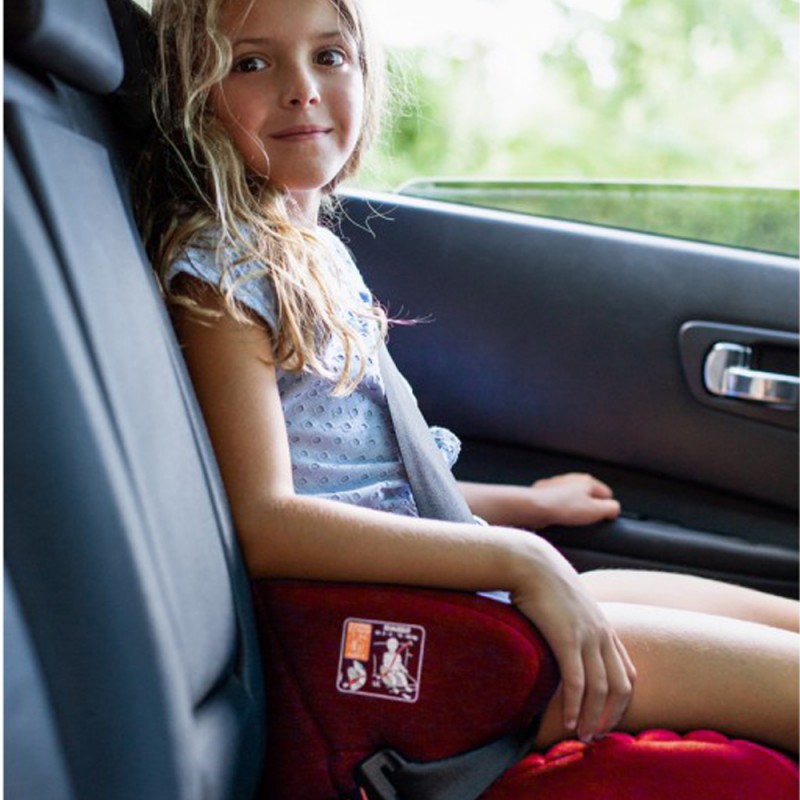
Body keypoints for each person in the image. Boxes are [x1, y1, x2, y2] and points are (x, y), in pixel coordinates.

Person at [138, 0, 799, 754]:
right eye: (252, 63)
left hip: (456, 599)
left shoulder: (309, 252)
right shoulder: (220, 278)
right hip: (416, 643)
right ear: (190, 96)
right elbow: (265, 523)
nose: (303, 89)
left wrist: (527, 506)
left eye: (329, 56)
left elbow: (370, 488)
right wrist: (519, 555)